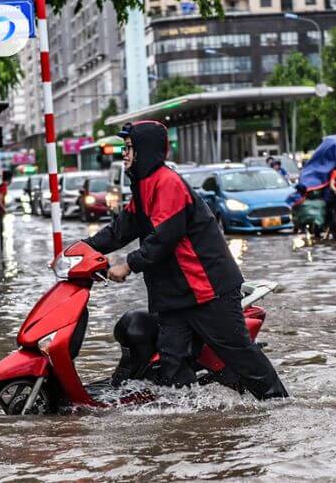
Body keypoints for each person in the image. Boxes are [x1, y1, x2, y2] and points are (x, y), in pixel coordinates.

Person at [83, 121, 289, 400]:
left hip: (208, 291)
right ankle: (188, 421)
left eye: (129, 148)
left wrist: (127, 265)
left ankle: (279, 403)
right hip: (176, 297)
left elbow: (163, 240)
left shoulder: (167, 184)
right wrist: (83, 248)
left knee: (240, 355)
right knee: (173, 363)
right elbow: (122, 229)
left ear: (145, 150)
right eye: (124, 148)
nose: (124, 154)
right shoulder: (144, 187)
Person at [0, 170, 12, 244]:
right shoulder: (3, 187)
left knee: (0, 230)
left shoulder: (1, 186)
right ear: (10, 178)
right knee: (0, 230)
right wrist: (4, 209)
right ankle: (0, 248)